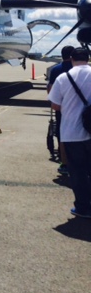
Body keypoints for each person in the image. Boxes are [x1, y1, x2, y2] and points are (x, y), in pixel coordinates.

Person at [48, 46, 91, 219]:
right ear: (88, 58)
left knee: (78, 172)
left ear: (72, 59)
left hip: (73, 132)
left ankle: (83, 208)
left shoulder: (63, 78)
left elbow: (55, 104)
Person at [47, 45, 74, 175]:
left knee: (63, 134)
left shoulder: (55, 70)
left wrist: (55, 104)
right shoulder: (81, 69)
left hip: (62, 109)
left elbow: (50, 91)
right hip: (81, 109)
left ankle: (64, 163)